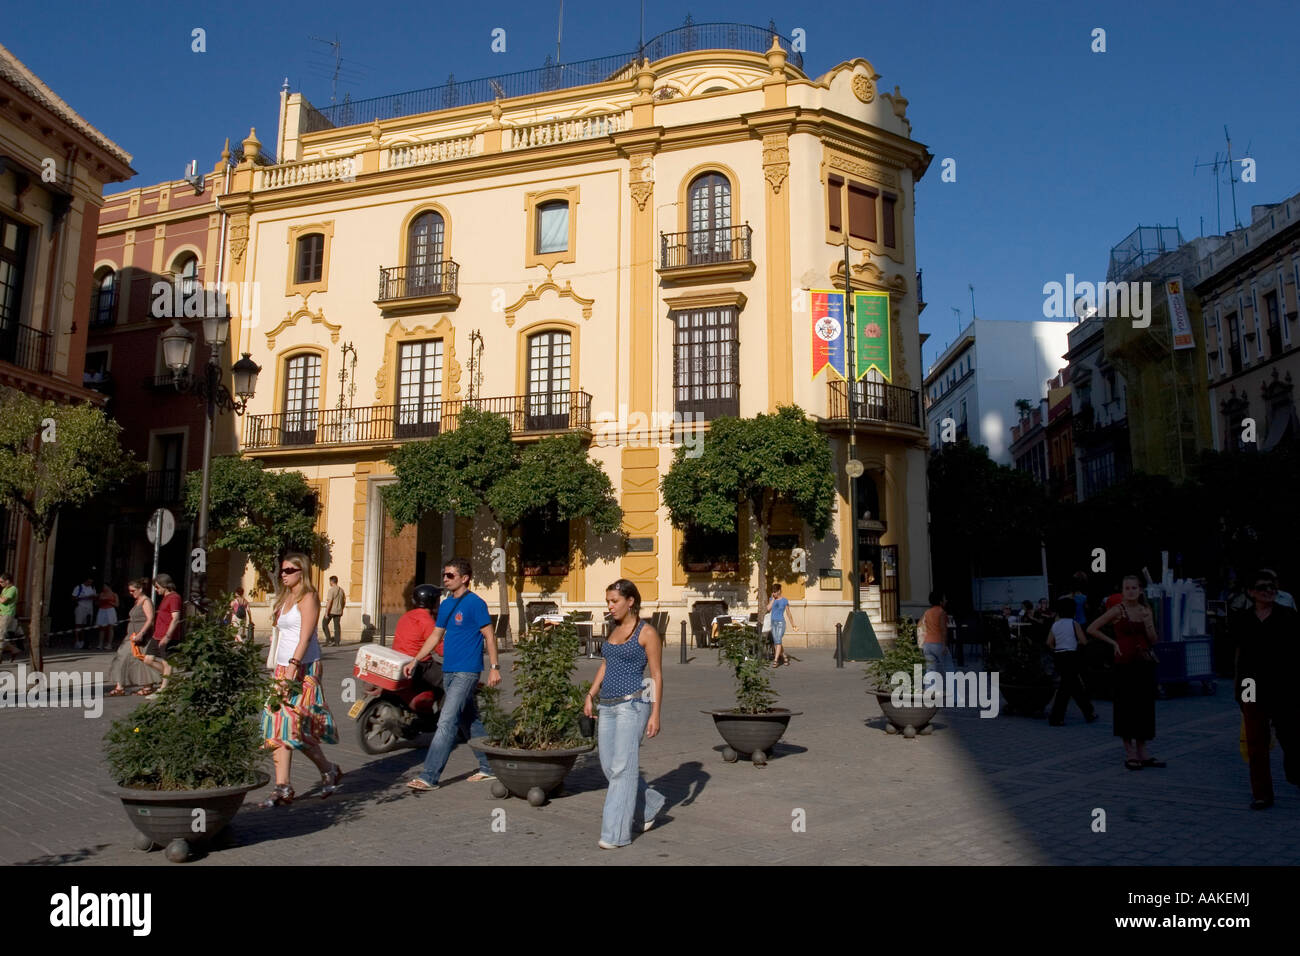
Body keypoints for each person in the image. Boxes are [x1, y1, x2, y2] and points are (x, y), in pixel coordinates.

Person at [404, 558, 500, 791]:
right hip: (448, 670)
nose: (445, 579)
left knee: (446, 721)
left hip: (467, 671)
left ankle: (429, 776)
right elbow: (436, 636)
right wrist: (416, 659)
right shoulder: (446, 604)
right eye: (444, 575)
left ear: (464, 578)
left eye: (450, 575)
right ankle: (489, 767)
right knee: (471, 720)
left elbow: (489, 636)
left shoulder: (476, 603)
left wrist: (495, 668)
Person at [583, 579, 665, 848]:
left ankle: (615, 834)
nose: (610, 606)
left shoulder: (646, 632)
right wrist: (591, 694)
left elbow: (656, 675)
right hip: (606, 705)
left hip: (633, 704)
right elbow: (607, 664)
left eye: (614, 601)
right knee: (609, 765)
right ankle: (650, 804)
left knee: (621, 769)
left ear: (630, 601)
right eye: (608, 601)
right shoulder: (613, 629)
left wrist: (655, 714)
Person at [259, 552, 342, 807]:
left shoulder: (309, 597)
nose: (283, 574)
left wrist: (294, 666)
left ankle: (328, 769)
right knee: (277, 725)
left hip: (303, 667)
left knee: (295, 727)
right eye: (282, 570)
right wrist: (280, 669)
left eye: (289, 570)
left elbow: (305, 637)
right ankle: (282, 786)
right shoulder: (285, 598)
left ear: (301, 572)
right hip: (283, 668)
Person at [1231, 569, 1299, 810]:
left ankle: (1295, 773)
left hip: (1283, 686)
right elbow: (1239, 655)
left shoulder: (1288, 616)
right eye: (1262, 587)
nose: (1269, 591)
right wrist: (1239, 689)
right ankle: (1262, 794)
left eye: (1272, 586)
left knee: (1291, 737)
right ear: (1251, 592)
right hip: (1251, 684)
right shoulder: (1242, 619)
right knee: (1256, 742)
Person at [1088, 574, 1163, 771]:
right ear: (1122, 591)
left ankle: (1143, 750)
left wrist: (1148, 622)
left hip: (1143, 663)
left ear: (1140, 590)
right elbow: (1092, 628)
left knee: (1144, 707)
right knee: (1126, 706)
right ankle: (1130, 752)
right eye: (1127, 588)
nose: (1131, 591)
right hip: (1124, 663)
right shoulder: (1118, 610)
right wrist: (1113, 643)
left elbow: (1154, 640)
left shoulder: (1146, 610)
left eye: (1134, 588)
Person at [1047, 595, 1099, 726]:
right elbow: (1083, 641)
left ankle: (1089, 713)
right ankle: (1057, 718)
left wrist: (1057, 650)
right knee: (1067, 688)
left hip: (1059, 656)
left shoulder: (1055, 625)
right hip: (1071, 656)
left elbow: (1049, 642)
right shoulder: (1074, 623)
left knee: (1073, 686)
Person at [393, 583, 442, 698]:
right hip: (420, 664)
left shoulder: (406, 616)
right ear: (431, 602)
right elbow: (441, 649)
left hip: (400, 659)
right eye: (437, 600)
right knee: (451, 683)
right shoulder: (427, 621)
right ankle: (446, 716)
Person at [108, 579, 156, 696]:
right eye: (129, 591)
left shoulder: (146, 601)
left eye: (133, 590)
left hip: (139, 637)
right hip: (131, 635)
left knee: (127, 657)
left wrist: (141, 633)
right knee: (126, 658)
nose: (131, 593)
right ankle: (122, 686)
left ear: (140, 589)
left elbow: (150, 619)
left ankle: (145, 685)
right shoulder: (137, 601)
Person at [141, 574, 179, 697]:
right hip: (157, 635)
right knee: (148, 659)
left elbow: (175, 618)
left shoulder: (174, 598)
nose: (156, 590)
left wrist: (168, 636)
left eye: (157, 587)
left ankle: (164, 688)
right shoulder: (165, 597)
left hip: (167, 636)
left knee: (166, 662)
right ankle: (171, 679)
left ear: (164, 585)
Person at [921, 592, 955, 704]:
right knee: (949, 669)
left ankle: (929, 696)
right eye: (944, 599)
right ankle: (953, 697)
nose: (946, 601)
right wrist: (945, 645)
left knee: (930, 671)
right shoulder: (942, 612)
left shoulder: (927, 612)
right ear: (940, 601)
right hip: (938, 643)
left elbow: (921, 626)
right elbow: (944, 630)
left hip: (927, 644)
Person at [767, 583, 798, 667]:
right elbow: (768, 609)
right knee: (776, 643)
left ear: (779, 591)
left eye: (775, 592)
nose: (774, 593)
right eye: (773, 592)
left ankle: (776, 660)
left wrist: (793, 625)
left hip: (781, 623)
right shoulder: (771, 599)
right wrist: (773, 599)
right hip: (773, 623)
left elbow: (788, 613)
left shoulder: (784, 600)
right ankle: (784, 656)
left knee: (778, 641)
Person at [0, 571, 19, 662]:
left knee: (1, 635)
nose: (0, 584)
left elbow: (3, 600)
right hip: (1, 613)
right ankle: (13, 649)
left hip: (7, 614)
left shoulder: (13, 589)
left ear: (7, 581)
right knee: (0, 636)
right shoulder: (4, 589)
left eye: (1, 582)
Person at [72, 576, 96, 649]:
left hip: (89, 608)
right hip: (80, 607)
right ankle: (77, 641)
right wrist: (84, 597)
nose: (90, 583)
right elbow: (73, 597)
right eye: (89, 582)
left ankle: (83, 641)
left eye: (91, 582)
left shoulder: (92, 588)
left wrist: (94, 597)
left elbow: (94, 597)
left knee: (85, 625)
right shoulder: (79, 587)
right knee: (78, 624)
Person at [95, 583, 119, 651]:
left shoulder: (114, 594)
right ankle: (100, 644)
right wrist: (100, 600)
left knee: (110, 627)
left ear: (108, 587)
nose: (103, 588)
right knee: (101, 628)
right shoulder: (101, 594)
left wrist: (109, 601)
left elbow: (117, 604)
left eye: (105, 586)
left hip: (110, 610)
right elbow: (97, 603)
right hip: (102, 610)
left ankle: (109, 644)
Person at [322, 575, 345, 646]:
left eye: (330, 581)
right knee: (337, 626)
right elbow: (344, 601)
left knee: (324, 624)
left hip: (331, 611)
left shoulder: (331, 590)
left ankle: (328, 639)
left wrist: (326, 612)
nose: (329, 583)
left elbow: (330, 601)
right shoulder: (341, 590)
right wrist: (342, 608)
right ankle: (337, 642)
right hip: (339, 611)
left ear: (331, 581)